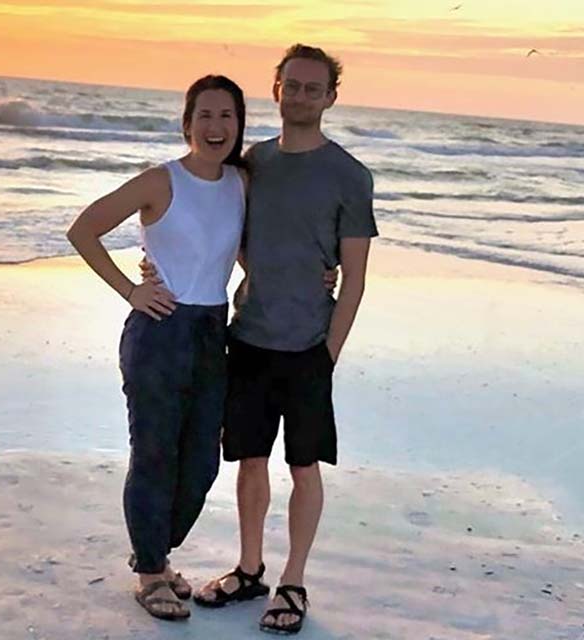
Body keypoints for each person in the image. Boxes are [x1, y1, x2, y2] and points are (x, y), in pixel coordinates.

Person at [144, 44, 378, 634]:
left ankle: (292, 583)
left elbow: (354, 277)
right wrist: (158, 267)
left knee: (303, 465)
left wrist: (329, 353)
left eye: (312, 88)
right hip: (248, 335)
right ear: (276, 89)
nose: (300, 96)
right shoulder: (253, 163)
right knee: (250, 460)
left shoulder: (350, 175)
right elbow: (221, 233)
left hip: (309, 345)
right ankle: (250, 570)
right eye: (291, 85)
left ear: (330, 97)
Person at [66, 75, 249, 621]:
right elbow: (83, 230)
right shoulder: (160, 181)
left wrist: (313, 276)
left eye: (227, 116)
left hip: (212, 332)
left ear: (239, 125)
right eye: (205, 115)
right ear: (186, 124)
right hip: (160, 330)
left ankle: (154, 551)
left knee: (202, 461)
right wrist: (131, 290)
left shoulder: (241, 182)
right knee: (153, 453)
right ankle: (151, 571)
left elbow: (243, 251)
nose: (215, 126)